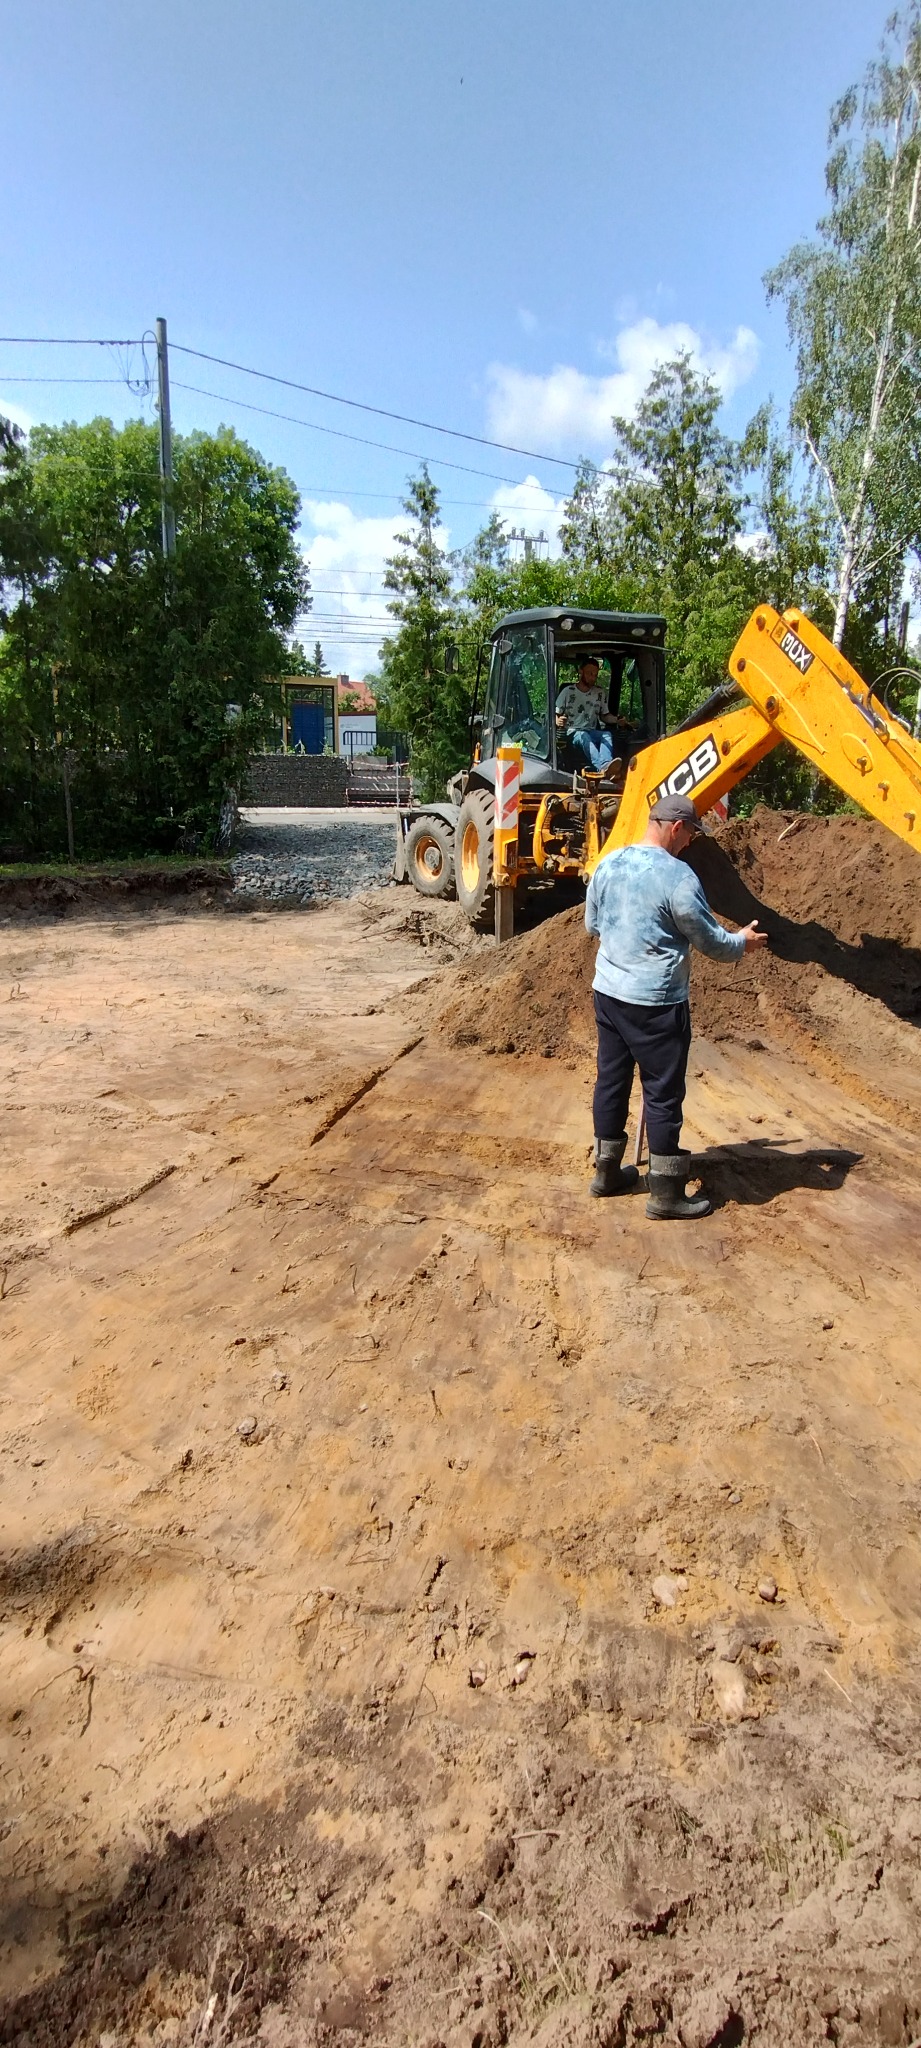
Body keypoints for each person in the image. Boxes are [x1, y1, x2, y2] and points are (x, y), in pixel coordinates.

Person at [584, 792, 768, 1219]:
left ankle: (606, 1174)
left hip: (608, 994)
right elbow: (711, 942)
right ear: (676, 827)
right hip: (656, 1003)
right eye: (689, 835)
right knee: (663, 1092)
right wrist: (743, 942)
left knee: (611, 1081)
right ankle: (666, 1195)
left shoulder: (609, 863)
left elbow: (593, 924)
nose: (688, 844)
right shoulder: (678, 878)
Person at [555, 656, 618, 771]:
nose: (593, 678)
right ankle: (602, 768)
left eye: (595, 675)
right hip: (572, 732)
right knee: (583, 735)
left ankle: (606, 763)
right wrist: (558, 721)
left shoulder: (599, 693)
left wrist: (617, 720)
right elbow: (555, 714)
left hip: (591, 731)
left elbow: (604, 716)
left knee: (607, 734)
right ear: (581, 671)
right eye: (590, 674)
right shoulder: (568, 691)